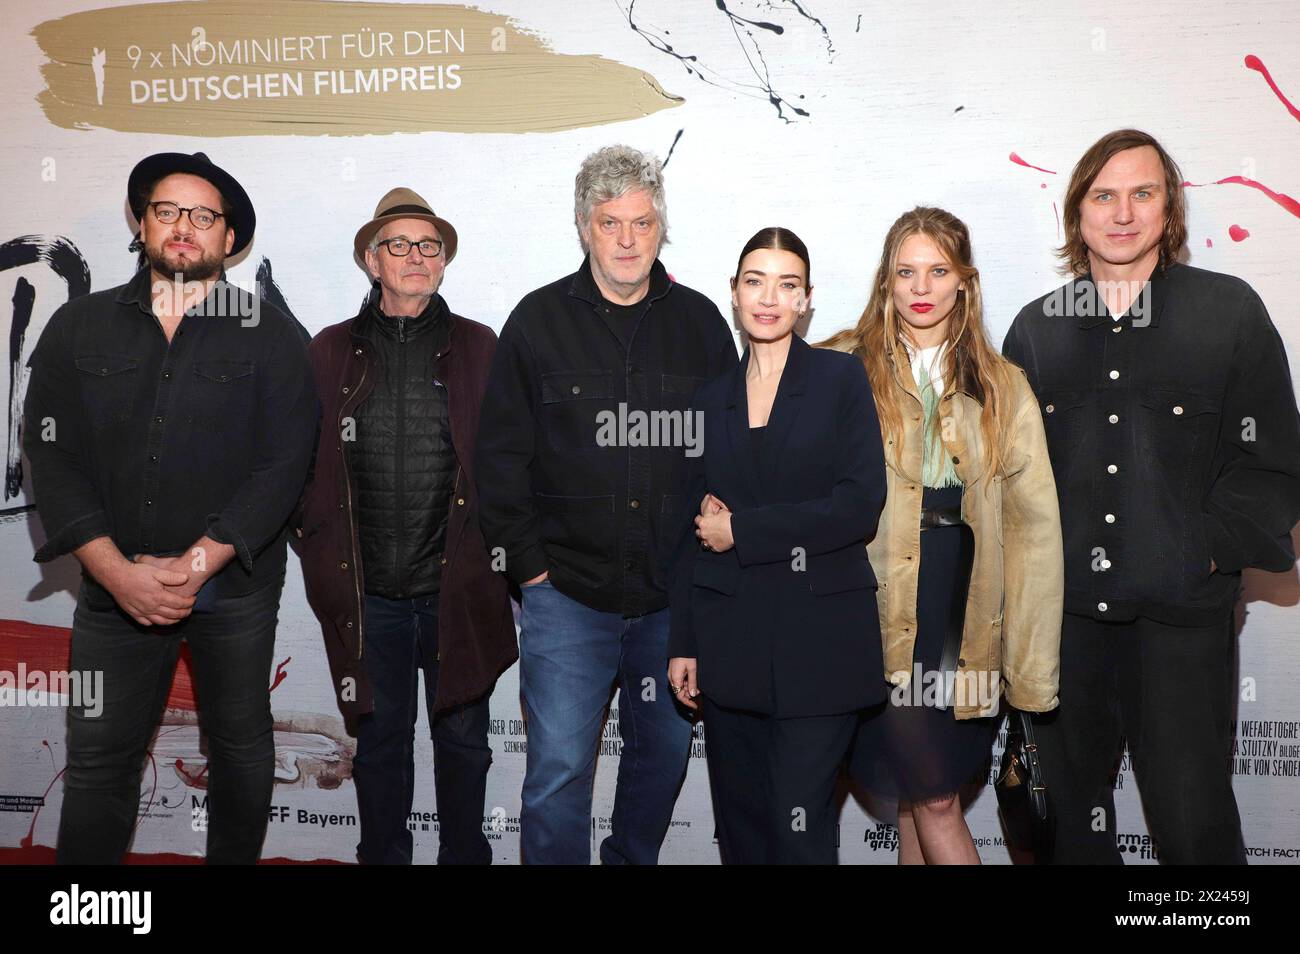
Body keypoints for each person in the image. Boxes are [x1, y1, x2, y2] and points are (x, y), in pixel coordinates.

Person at [1003, 129, 1300, 865]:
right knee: (1071, 828)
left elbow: (1273, 465)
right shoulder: (1036, 331)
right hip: (1065, 628)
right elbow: (1003, 480)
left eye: (1143, 193)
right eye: (1103, 195)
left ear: (1170, 211)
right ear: (1077, 215)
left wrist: (1204, 553)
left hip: (1182, 627)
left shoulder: (1228, 313)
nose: (1123, 213)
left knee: (1195, 827)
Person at [23, 151, 318, 864]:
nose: (184, 227)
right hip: (109, 588)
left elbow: (285, 465)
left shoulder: (275, 337)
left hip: (235, 591)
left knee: (241, 751)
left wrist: (194, 565)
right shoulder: (76, 328)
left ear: (228, 239)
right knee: (97, 764)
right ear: (141, 222)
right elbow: (48, 454)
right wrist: (116, 571)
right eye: (168, 210)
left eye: (203, 216)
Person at [475, 144, 737, 864]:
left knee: (659, 768)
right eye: (610, 222)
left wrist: (708, 576)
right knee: (557, 777)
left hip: (671, 603)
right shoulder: (535, 322)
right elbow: (498, 460)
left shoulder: (703, 325)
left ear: (662, 228)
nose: (627, 239)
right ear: (584, 227)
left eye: (643, 223)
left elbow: (729, 460)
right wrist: (529, 571)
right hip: (567, 598)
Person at [822, 207, 1063, 864]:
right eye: (905, 271)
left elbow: (1036, 534)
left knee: (928, 795)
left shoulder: (1004, 386)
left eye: (937, 270)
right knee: (917, 792)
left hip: (966, 617)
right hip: (873, 604)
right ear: (887, 281)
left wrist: (1032, 672)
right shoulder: (840, 364)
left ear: (965, 282)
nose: (920, 287)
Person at [295, 188, 517, 864]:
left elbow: (512, 463)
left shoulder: (482, 346)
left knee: (465, 748)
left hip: (462, 595)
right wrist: (316, 537)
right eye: (399, 244)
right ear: (371, 259)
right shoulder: (329, 351)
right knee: (382, 749)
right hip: (369, 603)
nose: (416, 256)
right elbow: (298, 463)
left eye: (430, 246)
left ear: (444, 261)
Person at [667, 227, 887, 864]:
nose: (769, 298)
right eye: (755, 282)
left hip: (820, 648)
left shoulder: (840, 378)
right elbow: (689, 528)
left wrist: (746, 530)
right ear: (733, 294)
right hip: (729, 640)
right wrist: (684, 642)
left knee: (798, 833)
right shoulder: (707, 401)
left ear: (806, 300)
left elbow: (857, 504)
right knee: (743, 833)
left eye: (787, 285)